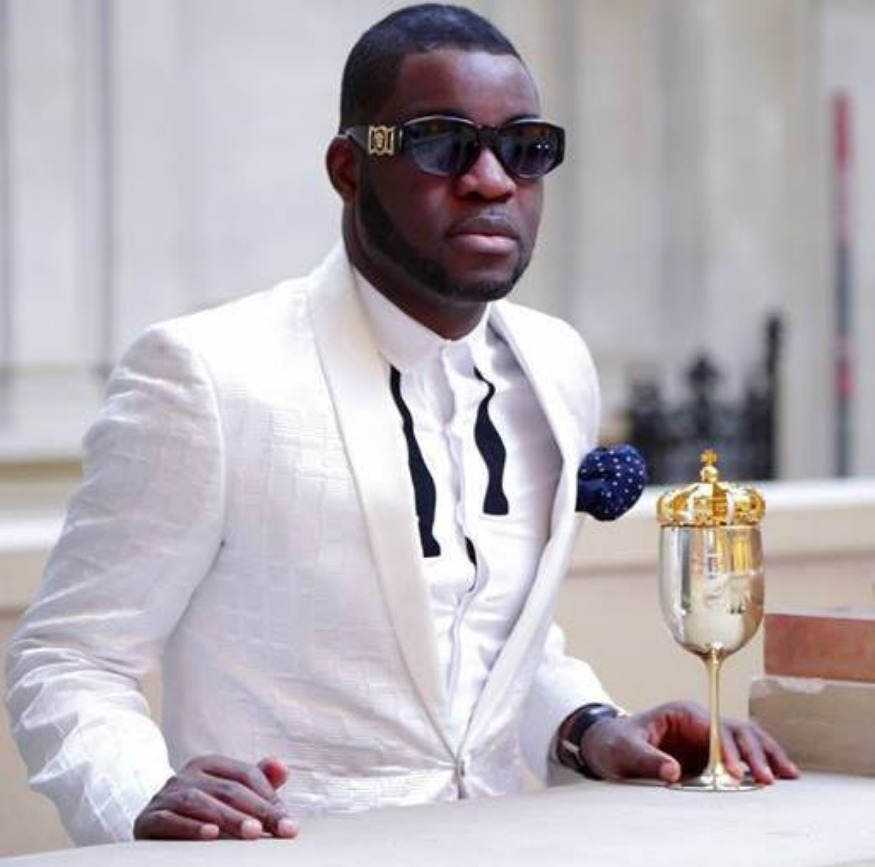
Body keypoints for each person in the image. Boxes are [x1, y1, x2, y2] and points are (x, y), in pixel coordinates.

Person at [5, 3, 797, 847]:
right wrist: (141, 794)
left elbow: (481, 636)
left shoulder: (554, 366)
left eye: (524, 149)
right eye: (441, 144)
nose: (491, 180)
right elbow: (69, 658)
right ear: (349, 167)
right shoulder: (205, 374)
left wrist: (587, 727)